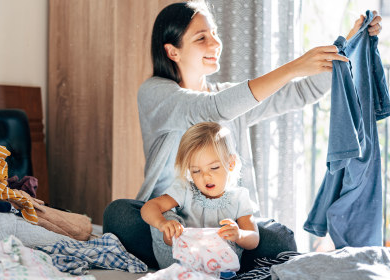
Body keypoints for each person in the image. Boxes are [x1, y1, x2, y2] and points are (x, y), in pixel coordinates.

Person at [102, 0, 384, 269]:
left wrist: (348, 46)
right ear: (172, 51)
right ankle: (187, 256)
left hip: (227, 229)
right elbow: (211, 109)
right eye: (201, 38)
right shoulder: (156, 93)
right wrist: (294, 67)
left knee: (280, 239)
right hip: (172, 225)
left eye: (215, 34)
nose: (215, 43)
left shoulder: (230, 97)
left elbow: (302, 91)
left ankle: (215, 256)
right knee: (119, 215)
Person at [141, 122, 259, 269]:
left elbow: (254, 239)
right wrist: (162, 223)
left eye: (214, 168)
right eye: (196, 171)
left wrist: (239, 235)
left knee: (276, 238)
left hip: (220, 267)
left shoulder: (239, 198)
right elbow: (150, 206)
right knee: (166, 215)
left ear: (231, 163)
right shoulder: (186, 190)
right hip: (182, 262)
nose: (206, 177)